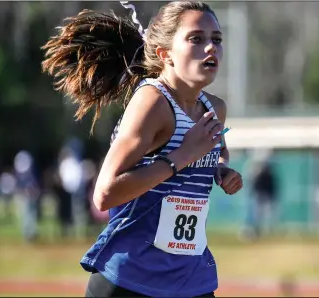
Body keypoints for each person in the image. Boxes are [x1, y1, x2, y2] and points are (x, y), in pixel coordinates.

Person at [41, 1, 243, 297]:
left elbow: (214, 149)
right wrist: (182, 157)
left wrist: (221, 169)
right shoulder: (152, 103)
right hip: (130, 280)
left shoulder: (215, 107)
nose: (210, 48)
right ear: (165, 54)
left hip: (190, 279)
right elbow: (104, 194)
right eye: (196, 39)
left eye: (216, 39)